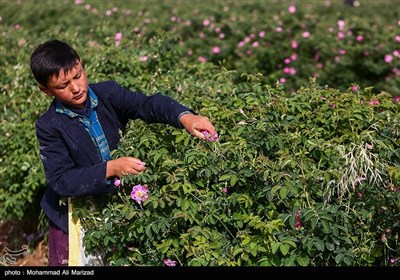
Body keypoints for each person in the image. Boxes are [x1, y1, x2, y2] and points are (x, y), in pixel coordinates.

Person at [29, 39, 217, 266]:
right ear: (45, 91)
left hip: (114, 203)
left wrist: (186, 117)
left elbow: (147, 105)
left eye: (78, 76)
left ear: (82, 66)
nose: (76, 88)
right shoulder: (49, 125)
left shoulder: (108, 93)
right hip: (71, 215)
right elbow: (61, 180)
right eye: (63, 86)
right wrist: (111, 168)